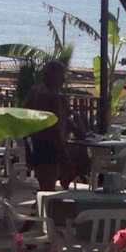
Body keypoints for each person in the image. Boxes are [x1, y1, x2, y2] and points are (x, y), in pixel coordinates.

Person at [26, 59, 78, 189]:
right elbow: (55, 131)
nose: (63, 80)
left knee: (46, 186)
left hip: (38, 144)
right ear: (52, 76)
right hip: (49, 147)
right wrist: (65, 157)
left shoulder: (35, 92)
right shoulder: (51, 97)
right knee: (47, 187)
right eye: (61, 76)